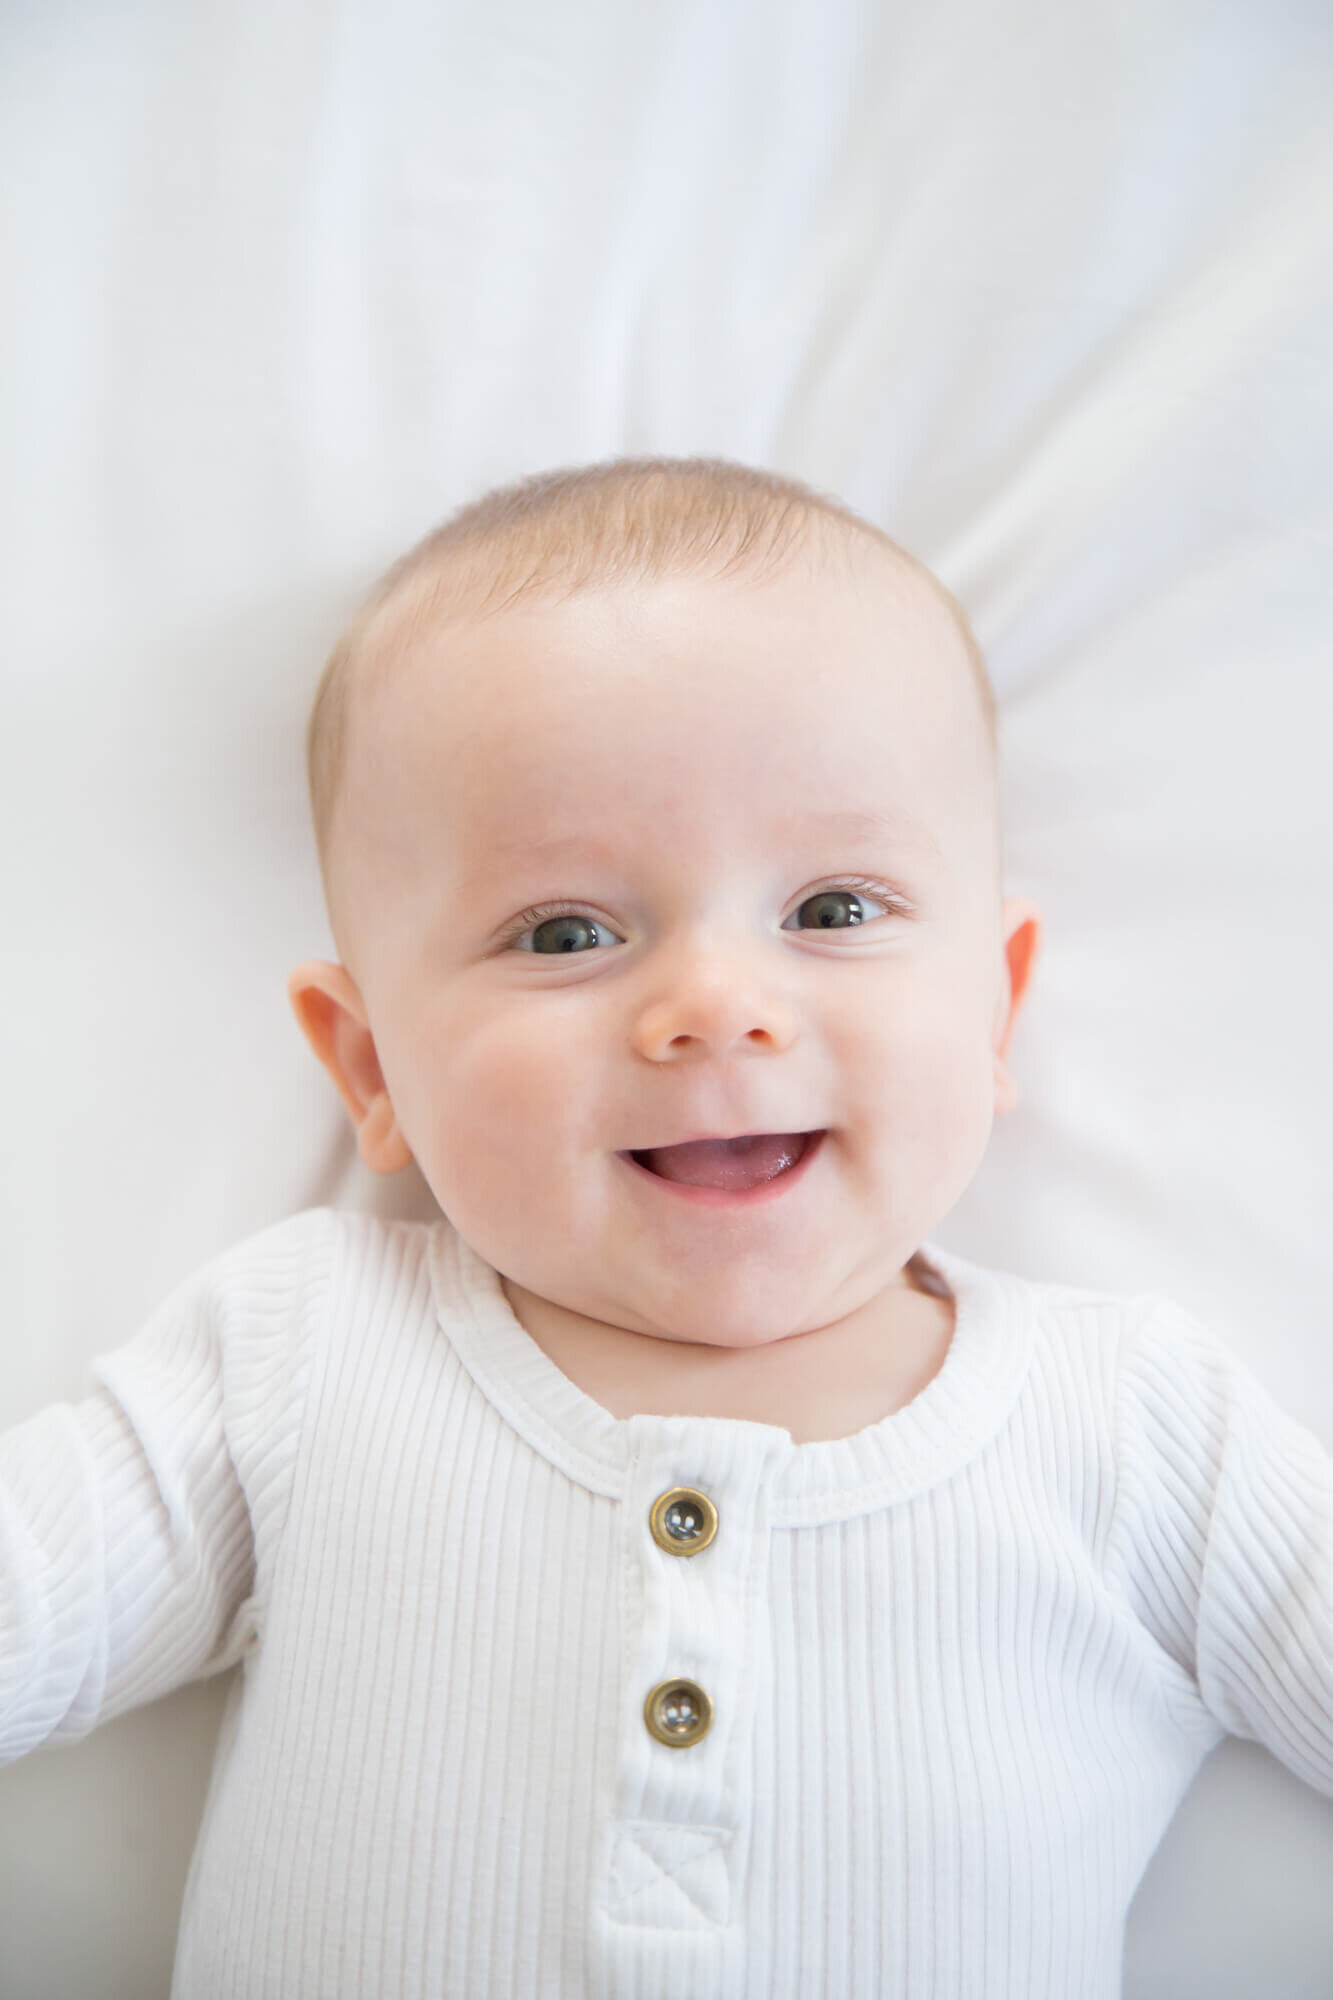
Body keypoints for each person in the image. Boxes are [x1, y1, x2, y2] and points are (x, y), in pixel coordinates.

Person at [1, 457, 1328, 1998]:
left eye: (832, 909)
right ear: (373, 1071)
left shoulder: (1140, 1427)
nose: (714, 1008)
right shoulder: (298, 1354)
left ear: (994, 1013)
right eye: (566, 932)